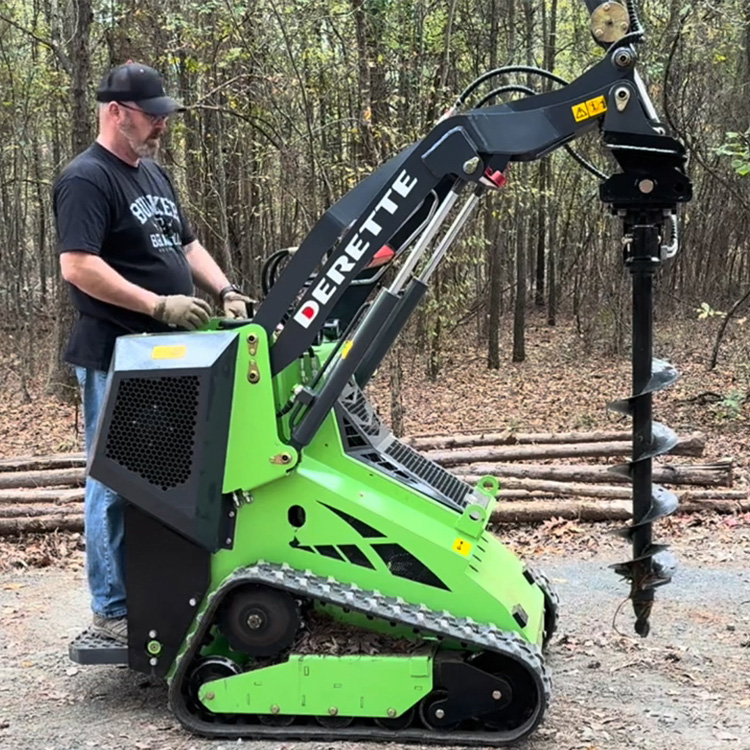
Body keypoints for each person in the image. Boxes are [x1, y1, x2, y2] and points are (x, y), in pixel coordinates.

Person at [53, 62, 251, 643]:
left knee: (165, 478)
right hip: (117, 351)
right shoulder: (87, 179)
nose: (162, 123)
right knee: (114, 482)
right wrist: (157, 306)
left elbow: (184, 242)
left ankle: (165, 594)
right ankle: (112, 609)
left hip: (164, 357)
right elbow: (79, 265)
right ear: (116, 111)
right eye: (152, 113)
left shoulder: (152, 176)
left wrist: (225, 288)